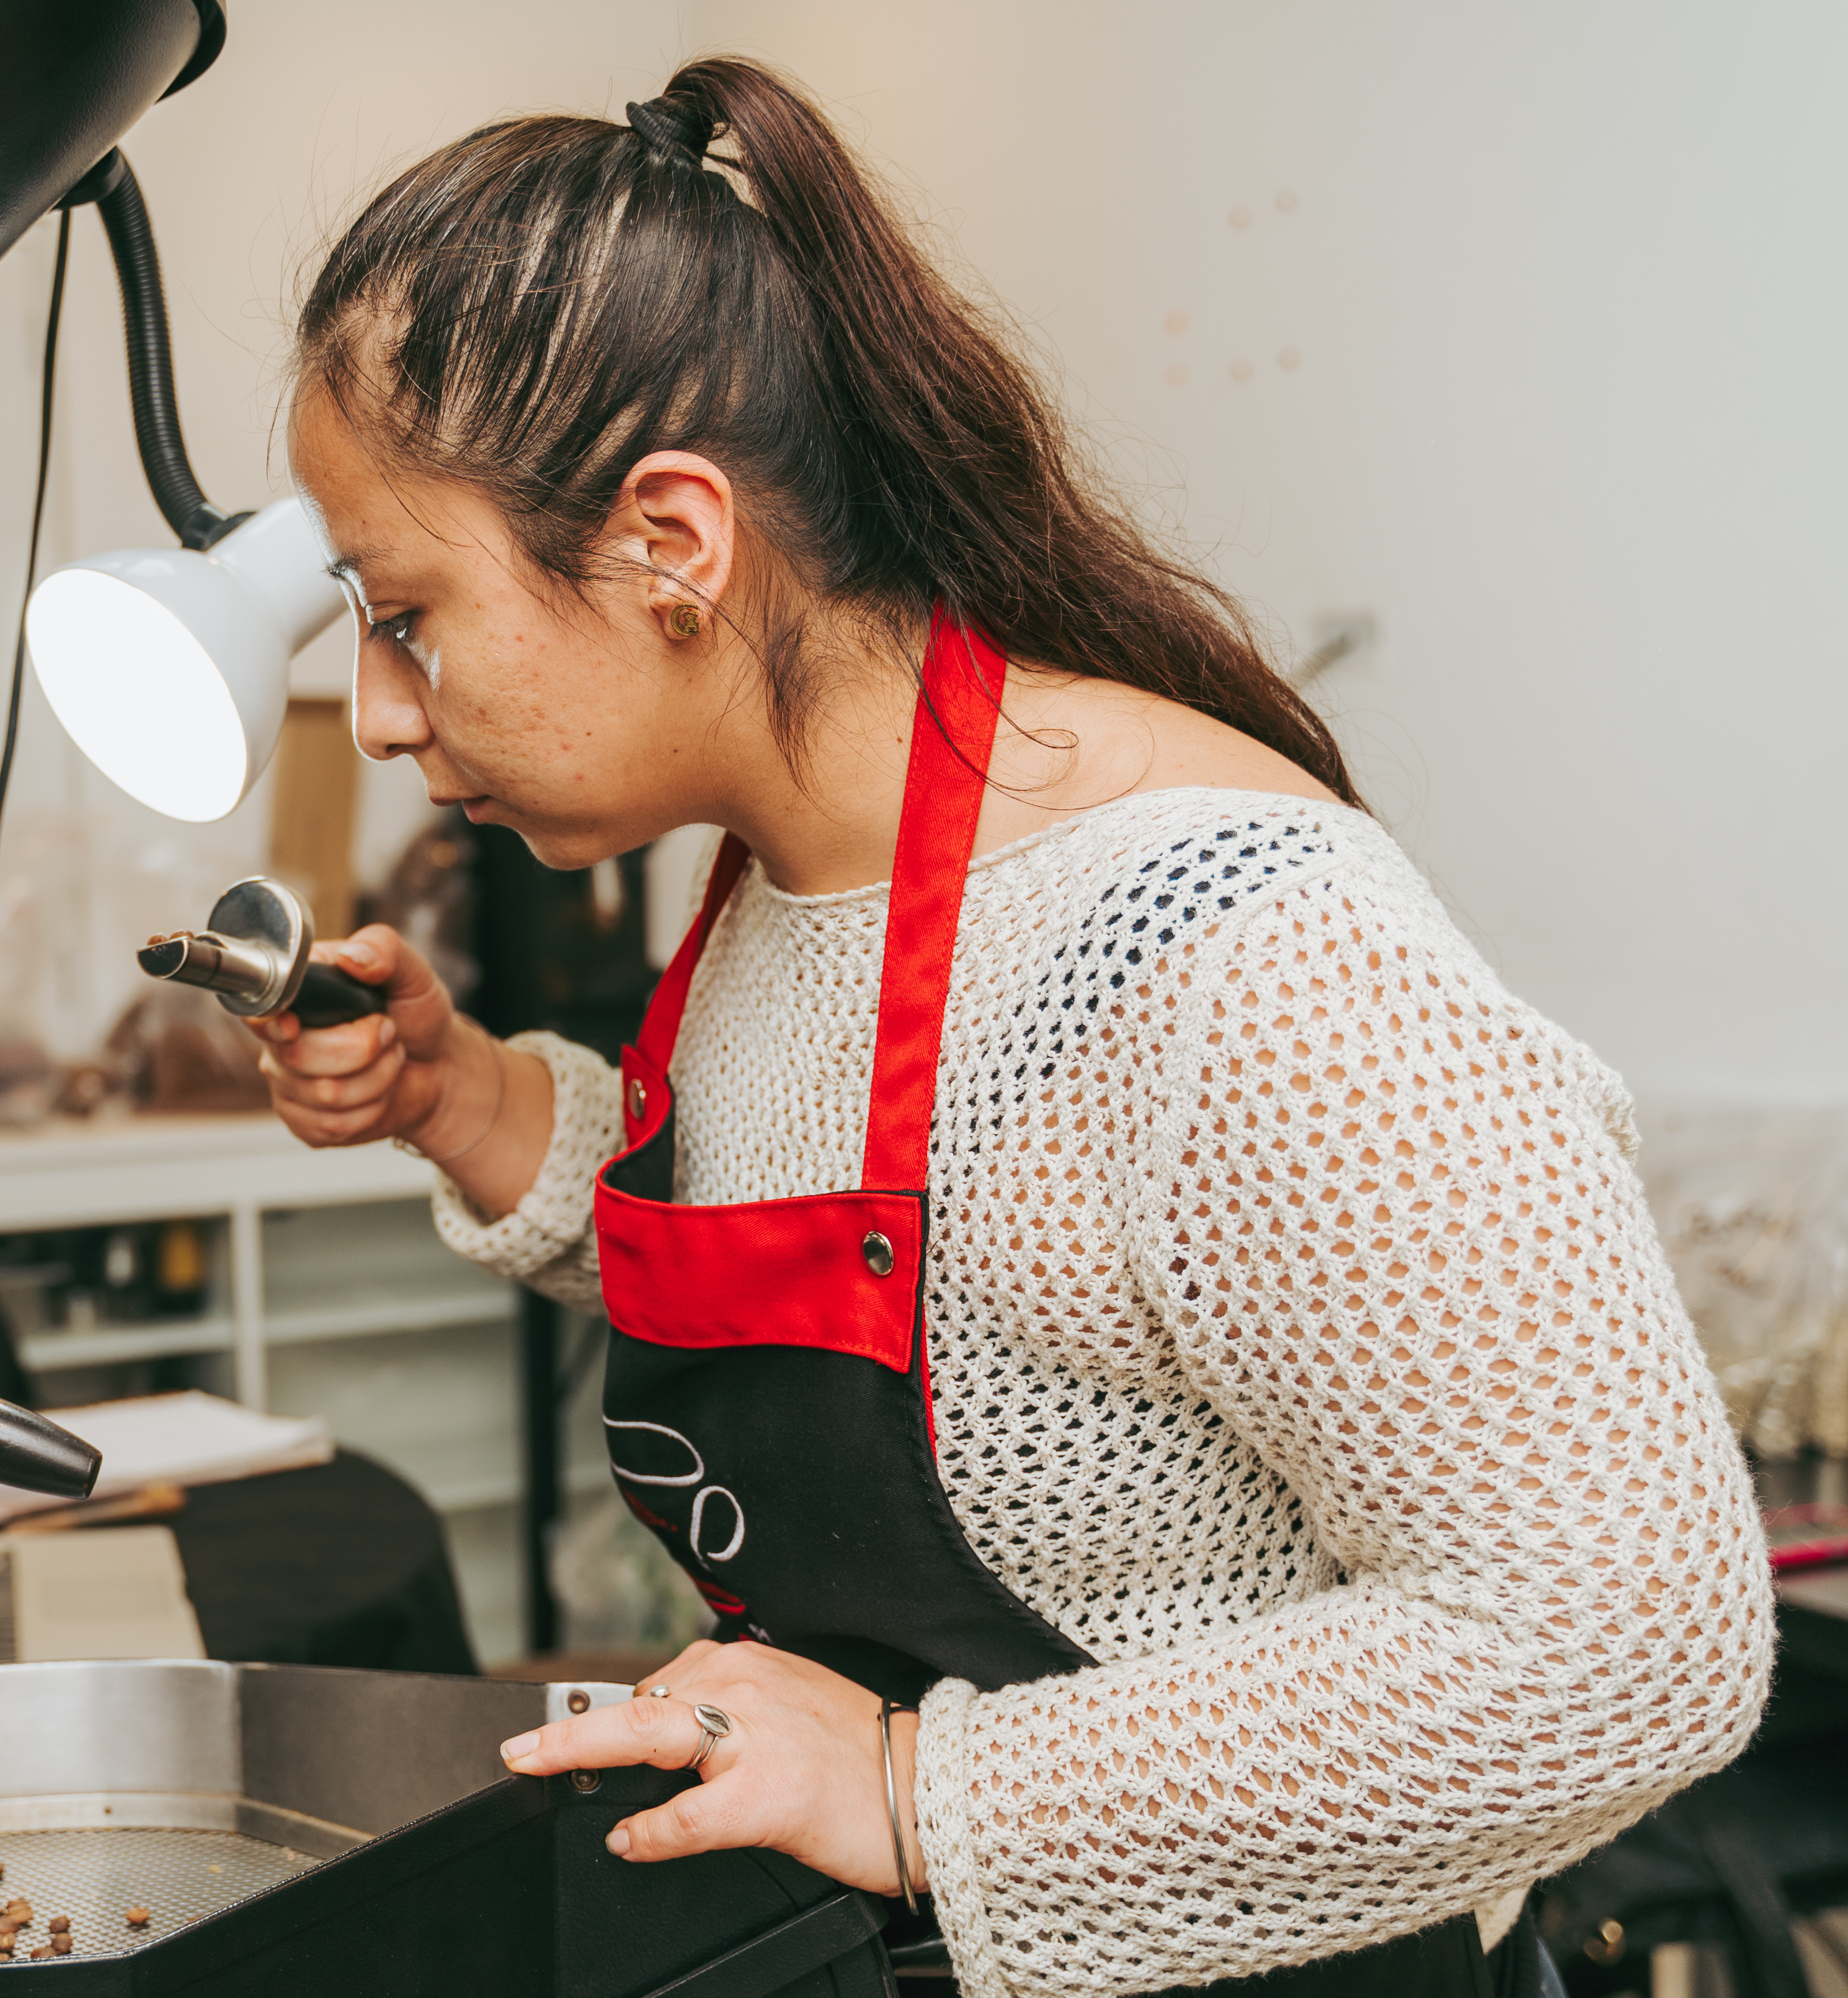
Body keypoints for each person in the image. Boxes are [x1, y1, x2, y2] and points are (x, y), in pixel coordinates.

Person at [247, 55, 1772, 1998]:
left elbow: (1621, 1638)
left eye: (405, 615)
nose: (378, 714)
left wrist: (905, 1783)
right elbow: (932, 1298)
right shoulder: (788, 877)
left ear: (669, 543)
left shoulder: (1229, 948)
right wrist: (472, 1106)